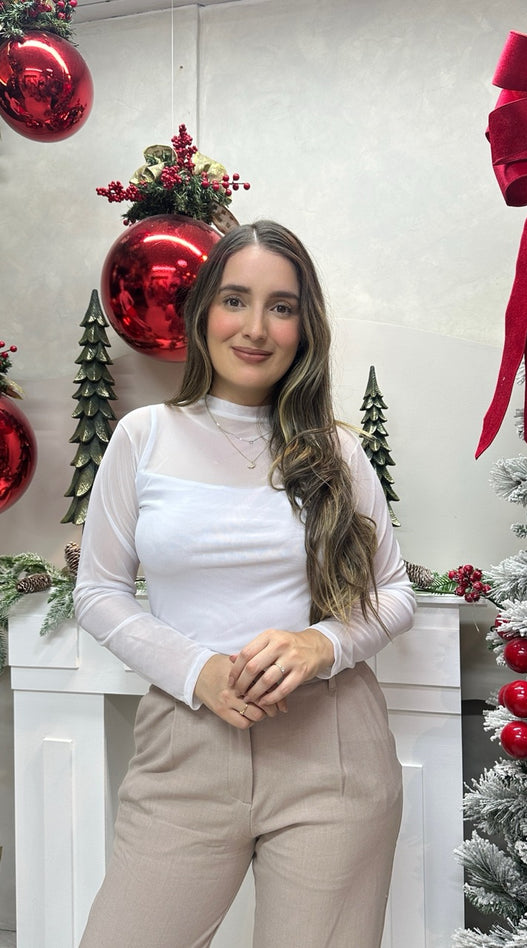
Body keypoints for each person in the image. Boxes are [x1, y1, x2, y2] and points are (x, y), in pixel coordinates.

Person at [74, 219, 416, 948]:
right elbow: (97, 591)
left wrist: (320, 645)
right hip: (185, 743)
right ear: (204, 312)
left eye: (281, 307)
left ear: (304, 326)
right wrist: (197, 670)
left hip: (331, 748)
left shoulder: (337, 451)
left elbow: (394, 592)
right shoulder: (143, 436)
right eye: (235, 300)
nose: (256, 328)